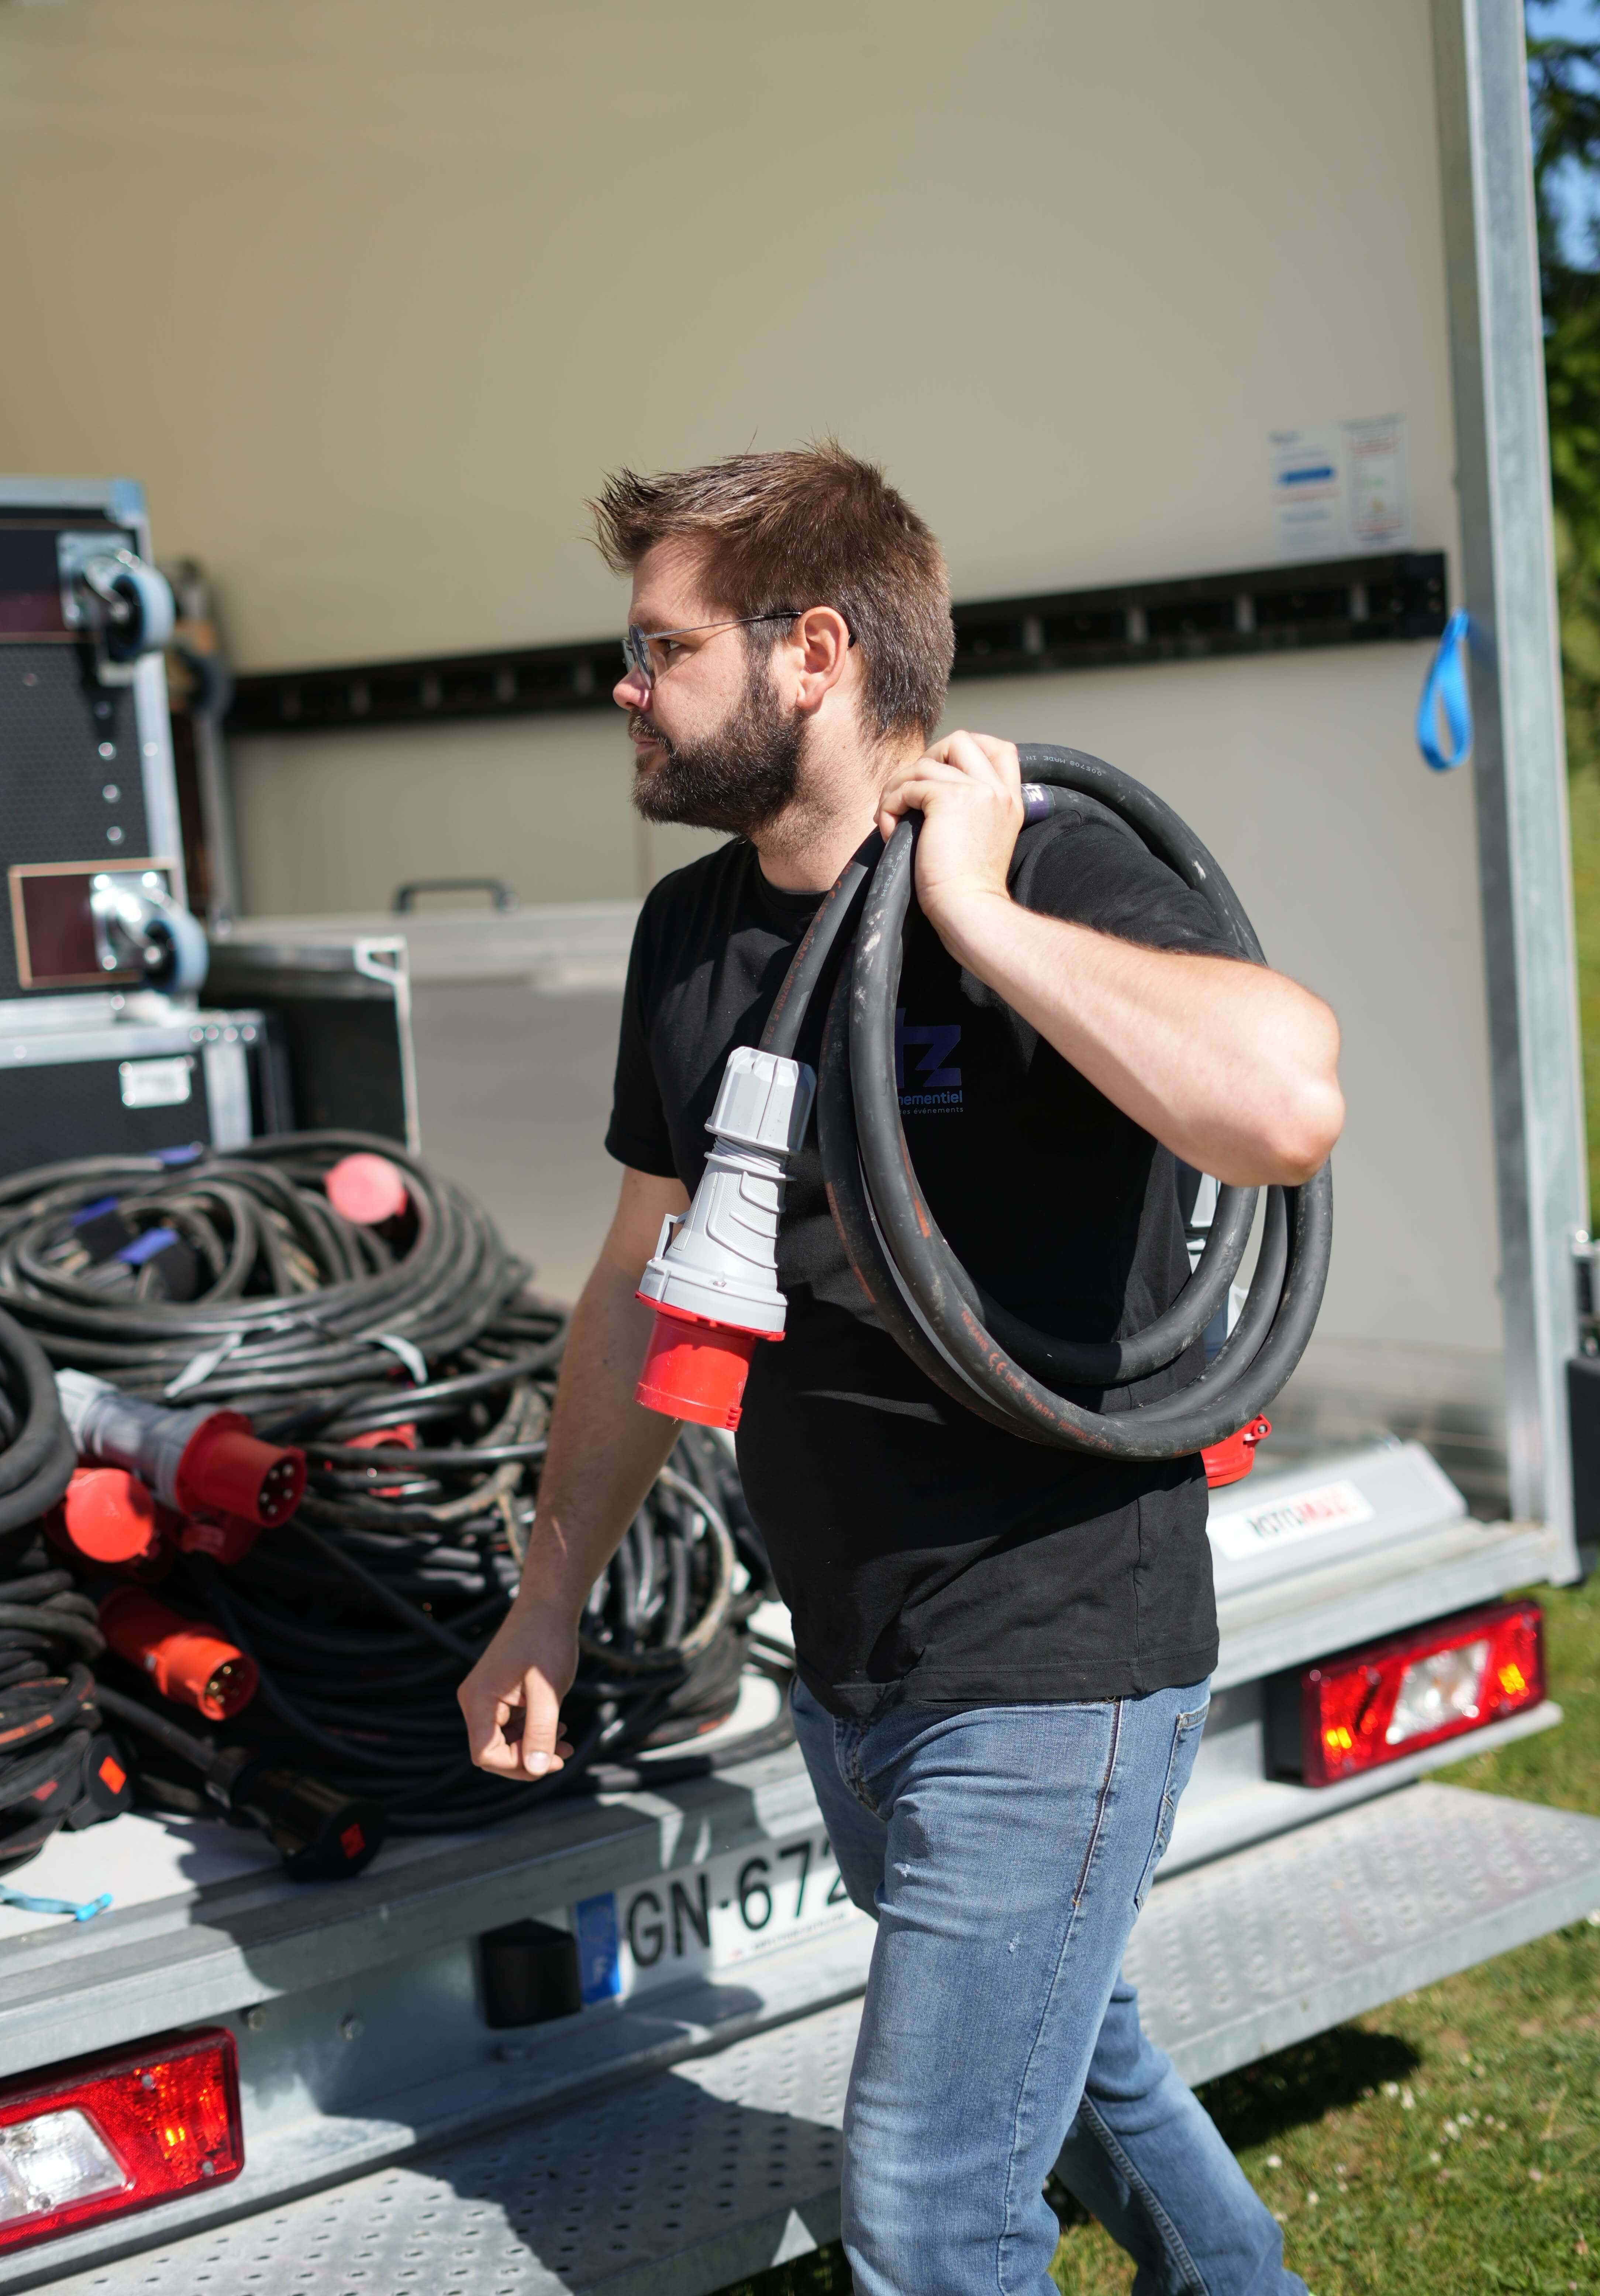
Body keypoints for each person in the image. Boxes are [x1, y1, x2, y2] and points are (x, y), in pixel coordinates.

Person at [458, 443, 1343, 2296]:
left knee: (936, 2214)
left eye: (660, 647)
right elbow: (637, 1283)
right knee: (1070, 2054)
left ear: (811, 652)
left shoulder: (1052, 860)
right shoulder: (688, 932)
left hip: (1052, 1645)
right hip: (853, 1654)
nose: (622, 687)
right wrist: (546, 1600)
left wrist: (983, 919)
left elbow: (1283, 1102)